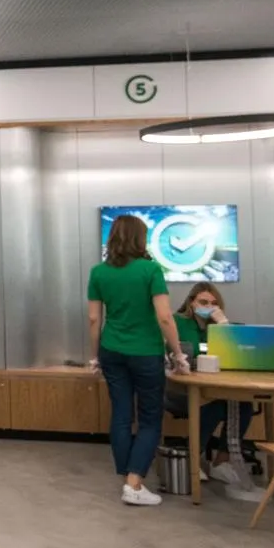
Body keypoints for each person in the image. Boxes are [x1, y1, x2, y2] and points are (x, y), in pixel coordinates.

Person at [88, 214, 190, 506]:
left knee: (121, 415)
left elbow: (94, 318)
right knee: (149, 418)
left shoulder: (99, 272)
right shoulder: (150, 270)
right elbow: (164, 316)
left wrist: (94, 356)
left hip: (111, 350)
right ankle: (134, 484)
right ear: (140, 239)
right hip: (145, 353)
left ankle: (127, 479)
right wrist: (178, 354)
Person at [169, 282, 257, 488]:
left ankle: (222, 462)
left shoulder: (219, 326)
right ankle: (192, 458)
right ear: (192, 303)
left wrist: (223, 325)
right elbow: (192, 352)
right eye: (203, 302)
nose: (208, 307)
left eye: (213, 303)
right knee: (215, 407)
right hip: (180, 388)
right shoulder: (178, 322)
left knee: (244, 406)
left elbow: (236, 355)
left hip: (214, 387)